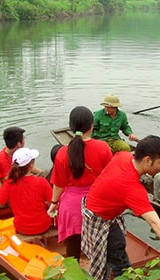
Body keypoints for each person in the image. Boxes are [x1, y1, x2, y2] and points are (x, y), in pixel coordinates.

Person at [81, 135, 160, 280]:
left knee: (117, 247)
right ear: (147, 160)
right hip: (99, 219)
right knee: (121, 265)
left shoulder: (123, 156)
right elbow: (155, 222)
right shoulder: (131, 187)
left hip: (97, 209)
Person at [47, 106, 112, 260]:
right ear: (92, 125)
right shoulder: (103, 148)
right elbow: (109, 178)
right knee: (99, 245)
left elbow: (58, 184)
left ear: (71, 126)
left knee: (73, 249)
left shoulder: (63, 152)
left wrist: (54, 203)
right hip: (97, 203)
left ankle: (73, 276)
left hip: (72, 207)